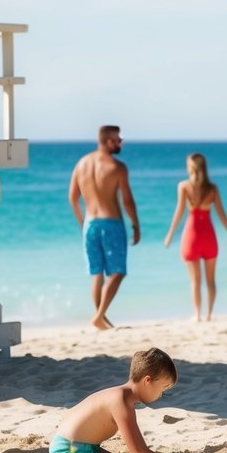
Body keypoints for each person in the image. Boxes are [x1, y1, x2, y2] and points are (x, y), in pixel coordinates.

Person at [8, 347, 197, 453]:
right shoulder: (121, 402)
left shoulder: (119, 395)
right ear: (147, 380)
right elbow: (140, 452)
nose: (161, 395)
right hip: (70, 450)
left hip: (85, 447)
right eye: (162, 388)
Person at [69, 125, 139, 330]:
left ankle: (101, 318)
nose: (121, 143)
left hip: (90, 224)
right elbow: (127, 201)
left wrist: (83, 222)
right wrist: (135, 224)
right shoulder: (117, 167)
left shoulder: (81, 163)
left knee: (97, 273)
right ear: (109, 141)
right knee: (117, 272)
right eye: (118, 139)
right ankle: (99, 315)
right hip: (112, 223)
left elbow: (73, 198)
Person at [164, 152, 227, 322]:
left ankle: (197, 314)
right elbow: (221, 214)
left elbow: (179, 212)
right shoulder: (212, 188)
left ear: (191, 167)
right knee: (210, 280)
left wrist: (170, 235)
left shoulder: (183, 186)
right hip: (209, 236)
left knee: (195, 281)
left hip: (192, 236)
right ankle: (209, 314)